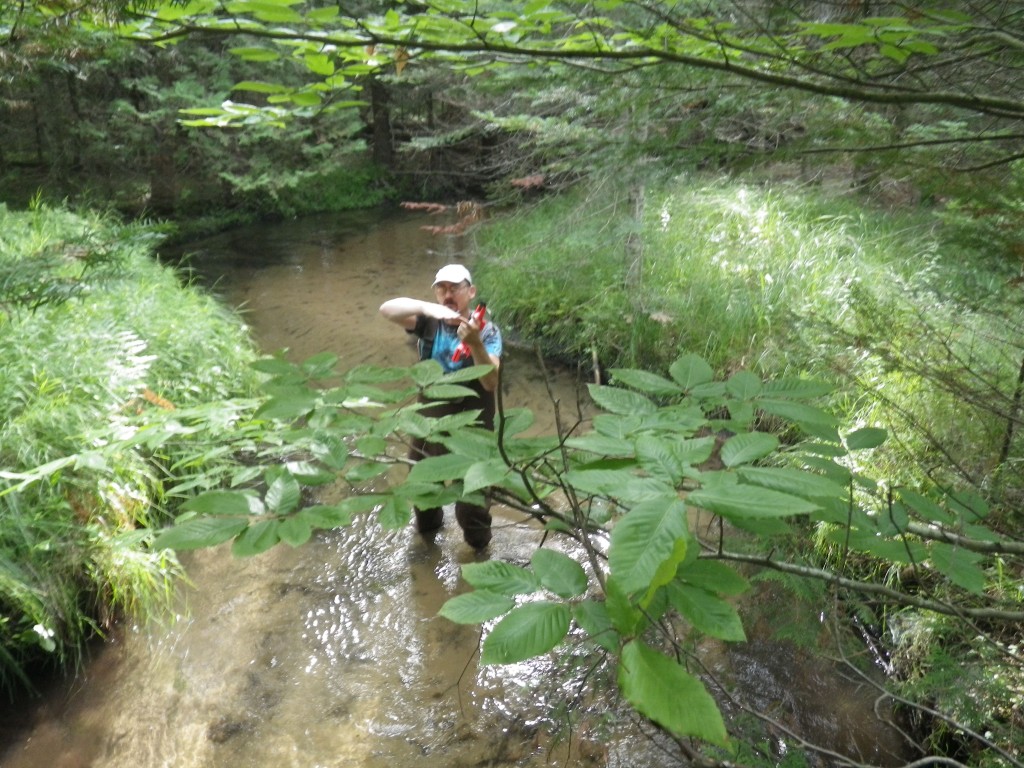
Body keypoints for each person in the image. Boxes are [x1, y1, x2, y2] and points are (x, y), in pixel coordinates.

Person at [379, 264, 503, 549]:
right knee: (423, 492)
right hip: (429, 425)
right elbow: (386, 309)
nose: (448, 295)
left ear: (470, 292)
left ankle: (481, 556)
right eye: (441, 289)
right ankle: (426, 549)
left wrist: (475, 345)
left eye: (455, 288)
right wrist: (427, 308)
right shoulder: (427, 323)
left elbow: (491, 383)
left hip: (472, 429)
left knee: (471, 506)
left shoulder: (488, 332)